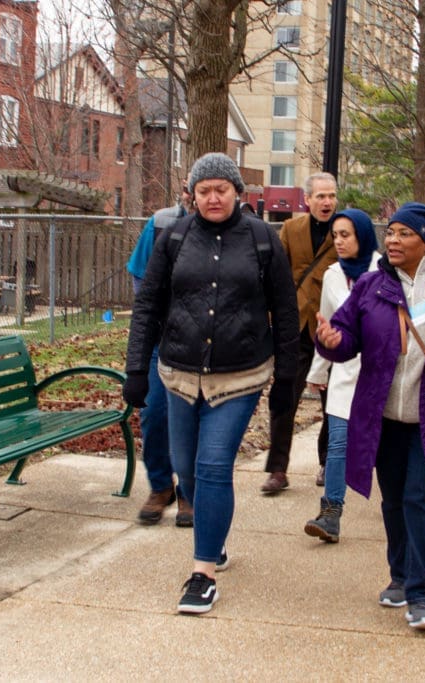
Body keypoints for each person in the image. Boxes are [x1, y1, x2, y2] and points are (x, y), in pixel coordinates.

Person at [124, 152, 299, 615]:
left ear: (238, 193)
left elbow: (284, 312)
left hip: (239, 376)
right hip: (179, 374)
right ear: (192, 194)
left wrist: (286, 379)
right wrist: (136, 370)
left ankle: (202, 573)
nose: (213, 197)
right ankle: (213, 535)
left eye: (222, 188)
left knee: (214, 465)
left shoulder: (263, 239)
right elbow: (147, 308)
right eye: (204, 190)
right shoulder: (174, 237)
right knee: (186, 465)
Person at [314, 202, 425, 631]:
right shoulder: (372, 285)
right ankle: (399, 575)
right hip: (384, 416)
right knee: (394, 500)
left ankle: (421, 593)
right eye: (390, 233)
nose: (392, 240)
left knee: (424, 498)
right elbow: (346, 339)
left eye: (403, 233)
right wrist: (330, 340)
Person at [303, 209, 379, 543]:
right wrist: (318, 372)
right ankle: (330, 512)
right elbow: (327, 324)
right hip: (344, 373)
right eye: (335, 235)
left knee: (385, 449)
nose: (339, 241)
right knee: (337, 444)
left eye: (345, 234)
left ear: (362, 235)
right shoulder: (333, 274)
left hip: (380, 374)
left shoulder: (385, 271)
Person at [263, 172, 339, 495]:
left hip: (332, 329)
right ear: (307, 200)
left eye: (332, 196)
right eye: (320, 196)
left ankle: (328, 462)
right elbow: (276, 277)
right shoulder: (291, 230)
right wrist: (273, 320)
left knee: (333, 402)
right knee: (284, 399)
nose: (327, 202)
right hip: (295, 326)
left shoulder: (344, 231)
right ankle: (278, 469)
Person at [125, 187, 195, 527]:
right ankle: (161, 486)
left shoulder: (232, 229)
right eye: (196, 189)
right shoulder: (160, 223)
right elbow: (139, 276)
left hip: (198, 345)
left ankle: (189, 493)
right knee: (154, 412)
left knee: (190, 419)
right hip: (159, 340)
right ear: (186, 191)